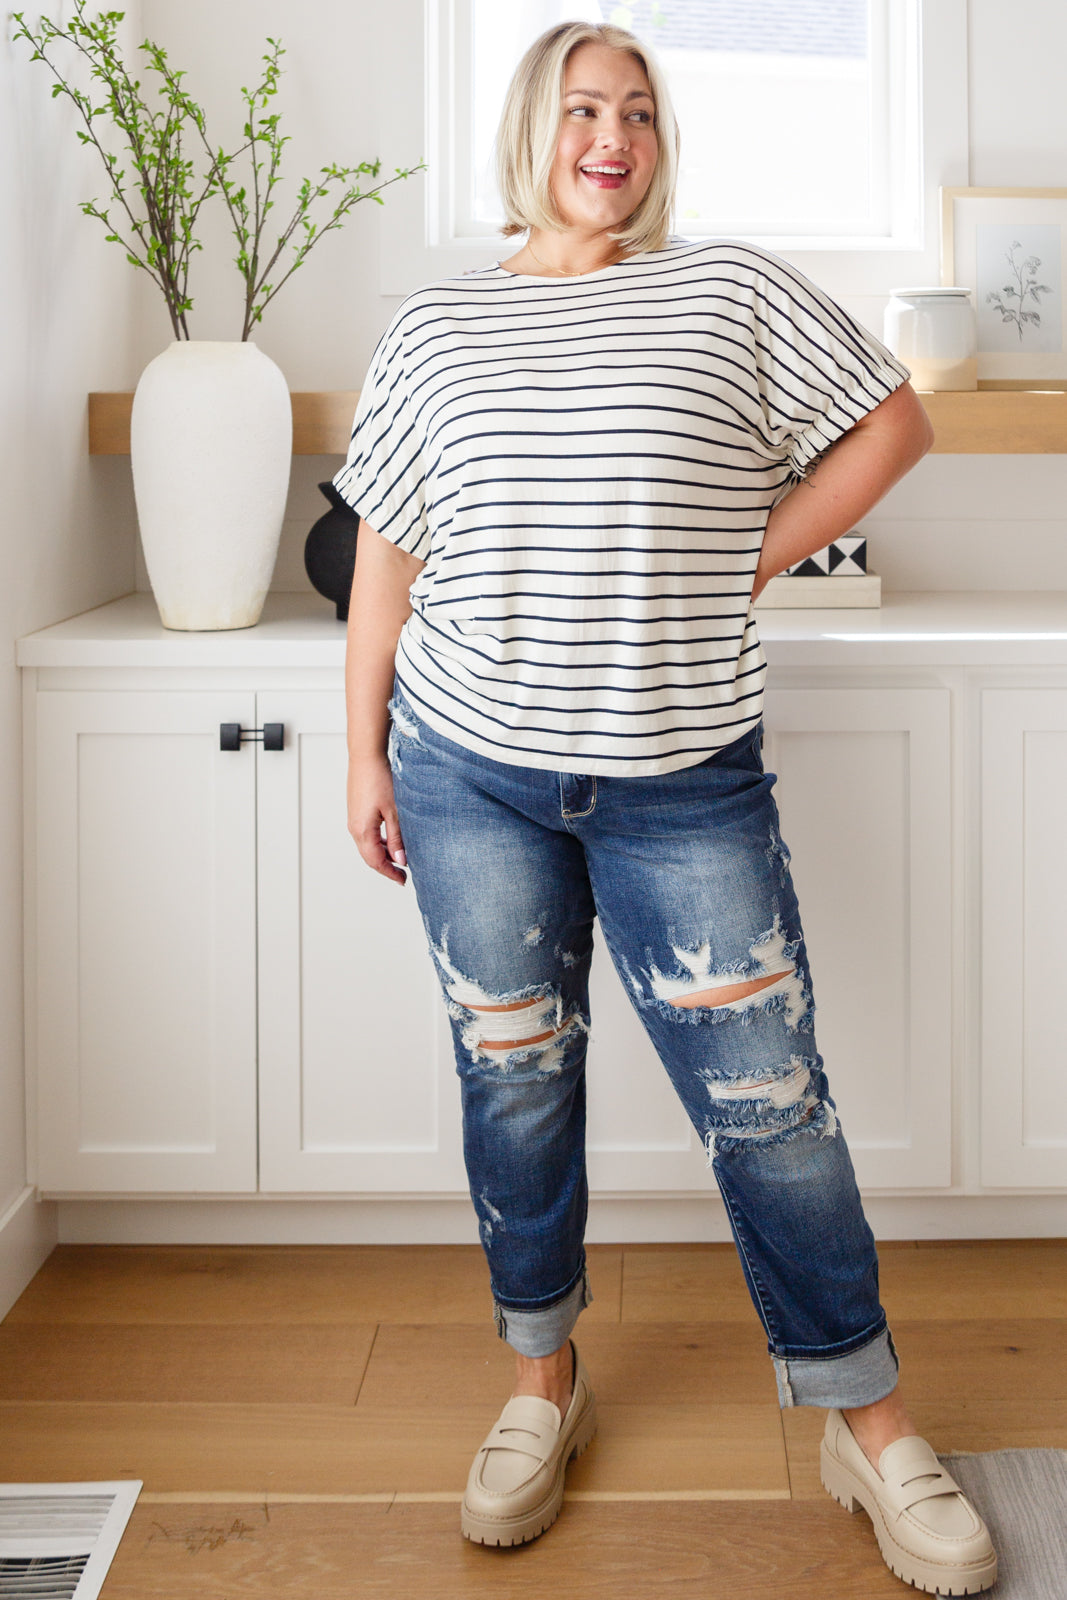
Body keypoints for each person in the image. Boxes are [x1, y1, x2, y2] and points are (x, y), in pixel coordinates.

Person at [337, 20, 997, 1595]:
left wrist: (751, 551)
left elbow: (894, 423)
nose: (612, 137)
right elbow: (386, 556)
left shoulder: (726, 290)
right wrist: (362, 753)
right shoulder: (438, 326)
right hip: (469, 770)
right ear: (533, 129)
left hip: (680, 782)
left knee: (772, 1106)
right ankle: (540, 1384)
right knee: (515, 1085)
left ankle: (870, 1423)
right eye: (583, 108)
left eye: (637, 111)